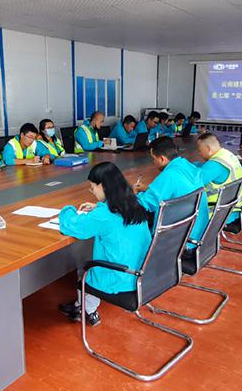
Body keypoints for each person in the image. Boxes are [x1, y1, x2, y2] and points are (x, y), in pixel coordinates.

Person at [57, 162, 152, 326]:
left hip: (120, 278)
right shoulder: (135, 202)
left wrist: (67, 209)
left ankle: (86, 310)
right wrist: (99, 207)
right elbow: (112, 217)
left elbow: (71, 226)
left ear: (103, 186)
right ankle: (85, 307)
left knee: (84, 269)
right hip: (144, 273)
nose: (92, 191)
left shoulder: (104, 215)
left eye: (92, 187)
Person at [134, 137, 209, 243]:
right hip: (198, 232)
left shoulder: (169, 175)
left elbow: (145, 203)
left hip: (178, 241)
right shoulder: (188, 166)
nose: (153, 162)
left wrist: (133, 195)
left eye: (153, 159)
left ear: (162, 159)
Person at [195, 133, 242, 224]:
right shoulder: (227, 154)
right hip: (236, 207)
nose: (199, 154)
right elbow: (205, 167)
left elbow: (193, 183)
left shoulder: (215, 165)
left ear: (208, 149)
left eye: (200, 150)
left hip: (222, 213)